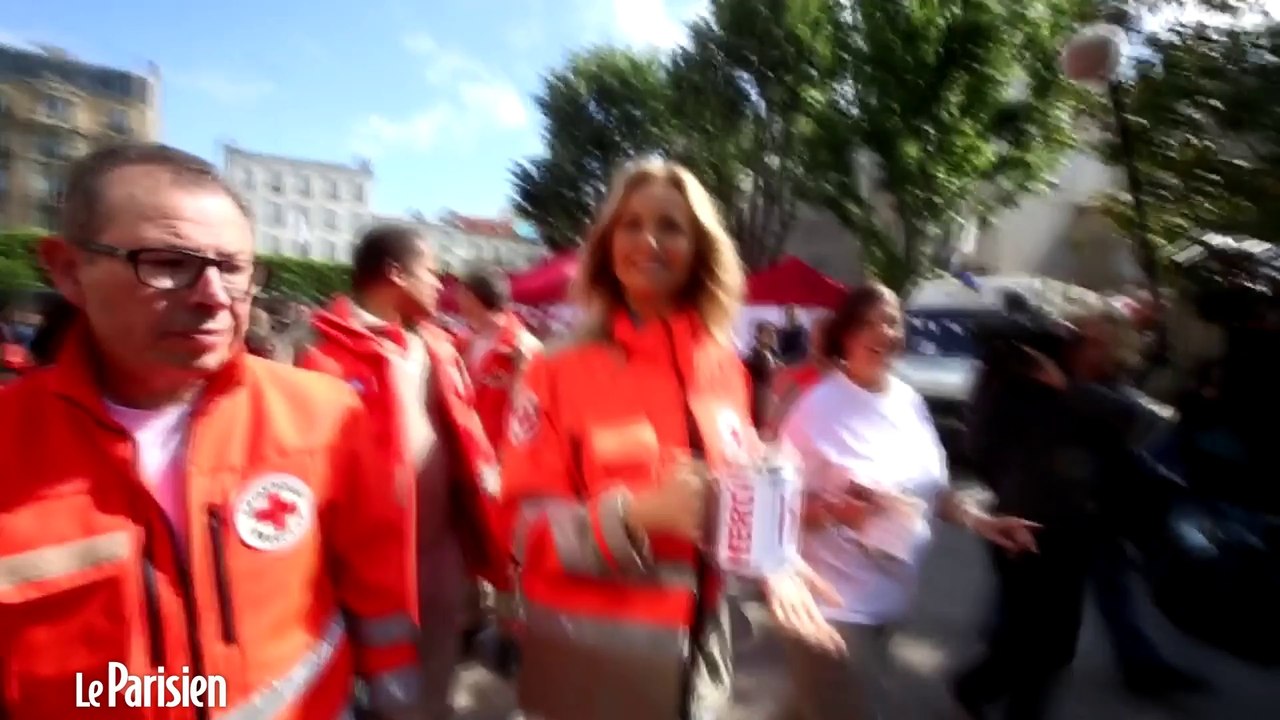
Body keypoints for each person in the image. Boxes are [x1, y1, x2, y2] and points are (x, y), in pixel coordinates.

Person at [0, 143, 421, 718]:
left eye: (233, 268)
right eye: (169, 263)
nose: (215, 296)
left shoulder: (324, 414)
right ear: (69, 271)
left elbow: (379, 595)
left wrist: (400, 698)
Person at [499, 158, 842, 720]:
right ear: (609, 243)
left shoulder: (726, 368)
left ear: (701, 250)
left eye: (671, 226)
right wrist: (634, 516)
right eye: (631, 224)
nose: (648, 240)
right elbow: (517, 529)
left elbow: (731, 490)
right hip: (590, 670)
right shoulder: (554, 371)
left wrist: (771, 553)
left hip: (701, 666)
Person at [776, 284, 1039, 720]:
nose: (884, 331)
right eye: (868, 322)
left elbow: (932, 490)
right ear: (845, 334)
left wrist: (983, 522)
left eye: (892, 320)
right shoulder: (815, 409)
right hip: (831, 609)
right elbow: (774, 507)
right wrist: (832, 511)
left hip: (889, 603)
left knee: (808, 710)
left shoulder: (909, 401)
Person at [296, 223, 507, 720]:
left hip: (444, 552)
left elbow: (466, 435)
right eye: (431, 272)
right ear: (395, 274)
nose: (441, 284)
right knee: (387, 689)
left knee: (439, 673)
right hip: (373, 566)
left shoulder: (438, 347)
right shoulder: (320, 353)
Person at [743, 321, 781, 428]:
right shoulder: (753, 356)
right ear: (759, 336)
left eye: (773, 333)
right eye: (768, 333)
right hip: (759, 402)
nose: (772, 336)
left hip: (770, 403)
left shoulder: (775, 355)